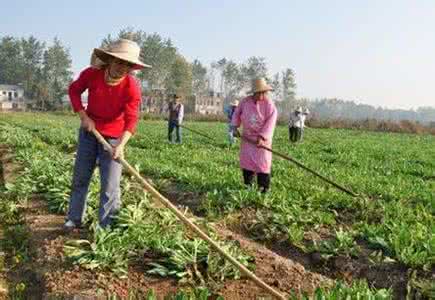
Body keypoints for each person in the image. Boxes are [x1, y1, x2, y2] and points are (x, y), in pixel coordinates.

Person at [64, 39, 151, 231]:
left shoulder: (131, 86)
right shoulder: (92, 74)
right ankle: (74, 218)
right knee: (81, 177)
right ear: (110, 60)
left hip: (113, 138)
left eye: (127, 65)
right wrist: (83, 116)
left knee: (110, 185)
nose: (122, 68)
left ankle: (106, 227)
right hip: (90, 133)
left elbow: (131, 119)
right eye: (119, 62)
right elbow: (74, 90)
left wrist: (121, 144)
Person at [232, 78, 277, 193]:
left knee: (263, 164)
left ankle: (264, 189)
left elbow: (270, 123)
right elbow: (237, 113)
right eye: (260, 93)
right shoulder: (245, 102)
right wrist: (235, 127)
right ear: (254, 93)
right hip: (247, 139)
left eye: (264, 92)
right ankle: (248, 185)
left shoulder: (269, 105)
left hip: (262, 140)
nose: (262, 95)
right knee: (247, 163)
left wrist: (262, 137)